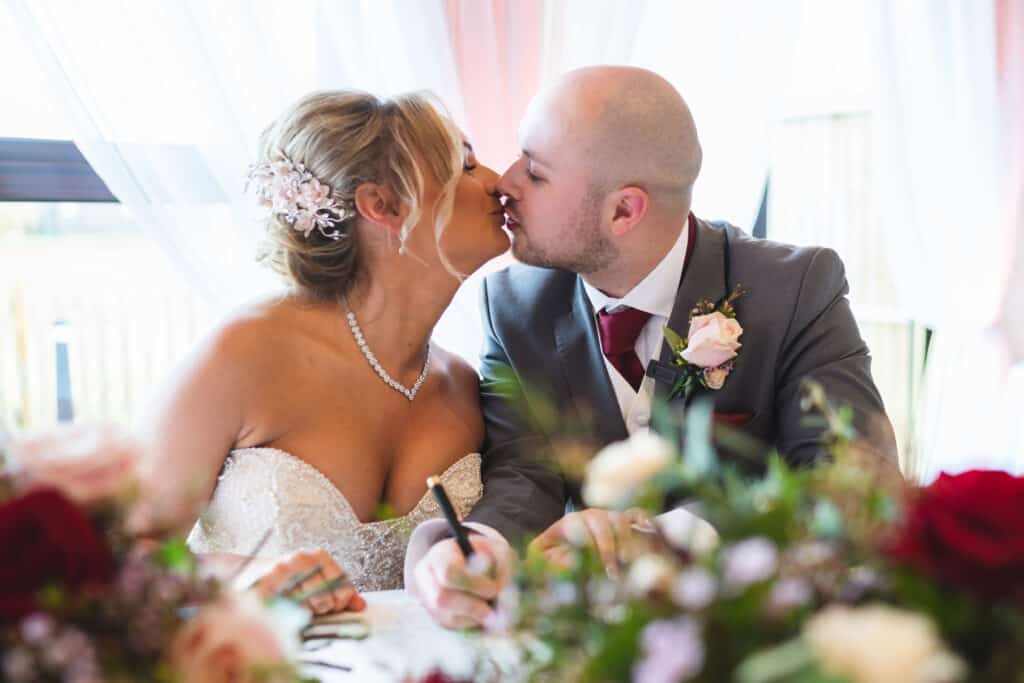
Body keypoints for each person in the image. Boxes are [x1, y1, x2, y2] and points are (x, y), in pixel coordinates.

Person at [409, 65, 898, 629]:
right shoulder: (511, 304)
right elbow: (525, 470)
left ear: (624, 210)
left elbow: (852, 477)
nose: (505, 183)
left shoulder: (796, 288)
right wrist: (478, 544)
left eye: (536, 174)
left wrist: (669, 535)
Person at [135, 89, 510, 613]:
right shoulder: (245, 354)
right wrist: (246, 578)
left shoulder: (464, 385)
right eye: (466, 166)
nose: (499, 181)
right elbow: (122, 556)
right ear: (382, 205)